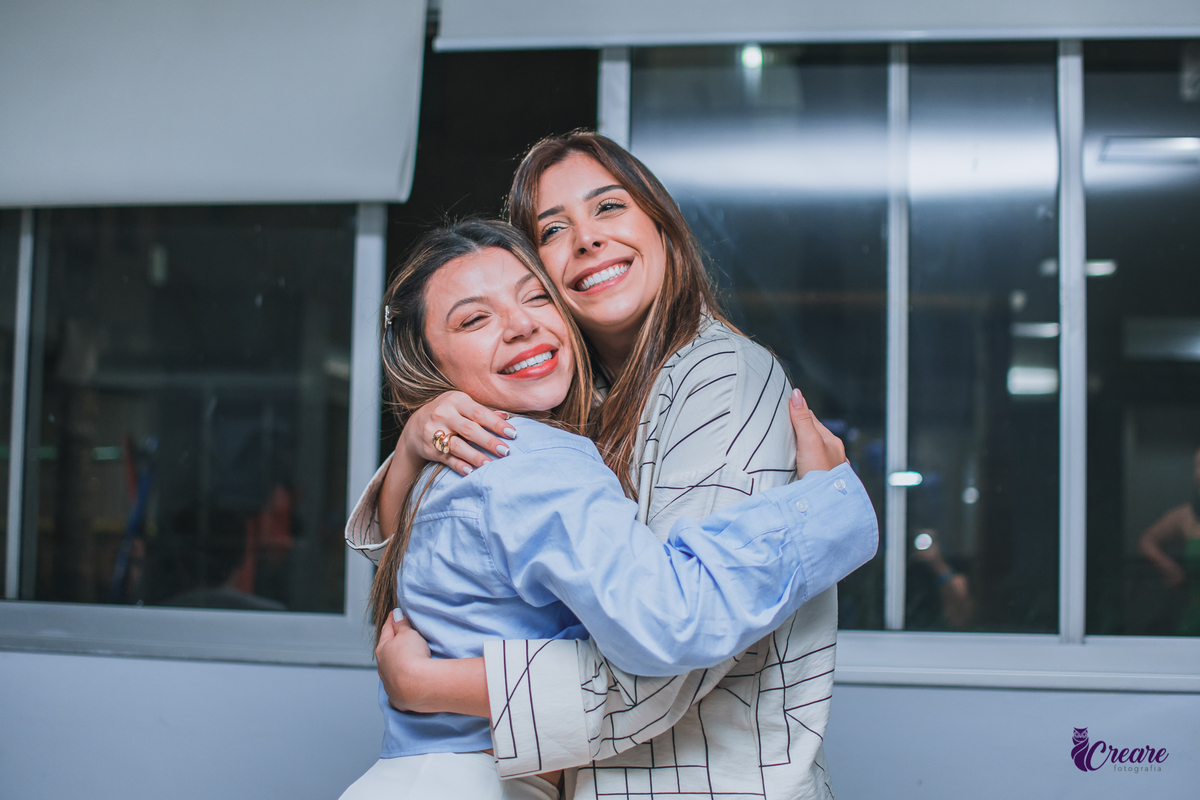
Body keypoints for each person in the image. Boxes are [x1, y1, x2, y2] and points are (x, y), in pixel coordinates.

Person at [350, 133, 877, 800]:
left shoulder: (717, 377)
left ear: (662, 224)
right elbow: (463, 584)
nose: (589, 239)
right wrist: (413, 449)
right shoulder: (557, 419)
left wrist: (433, 685)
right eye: (554, 228)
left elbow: (666, 656)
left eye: (609, 207)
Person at [1139, 446, 1200, 635]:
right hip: (1194, 621)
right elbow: (1147, 541)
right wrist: (1168, 567)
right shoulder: (1187, 517)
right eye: (1197, 465)